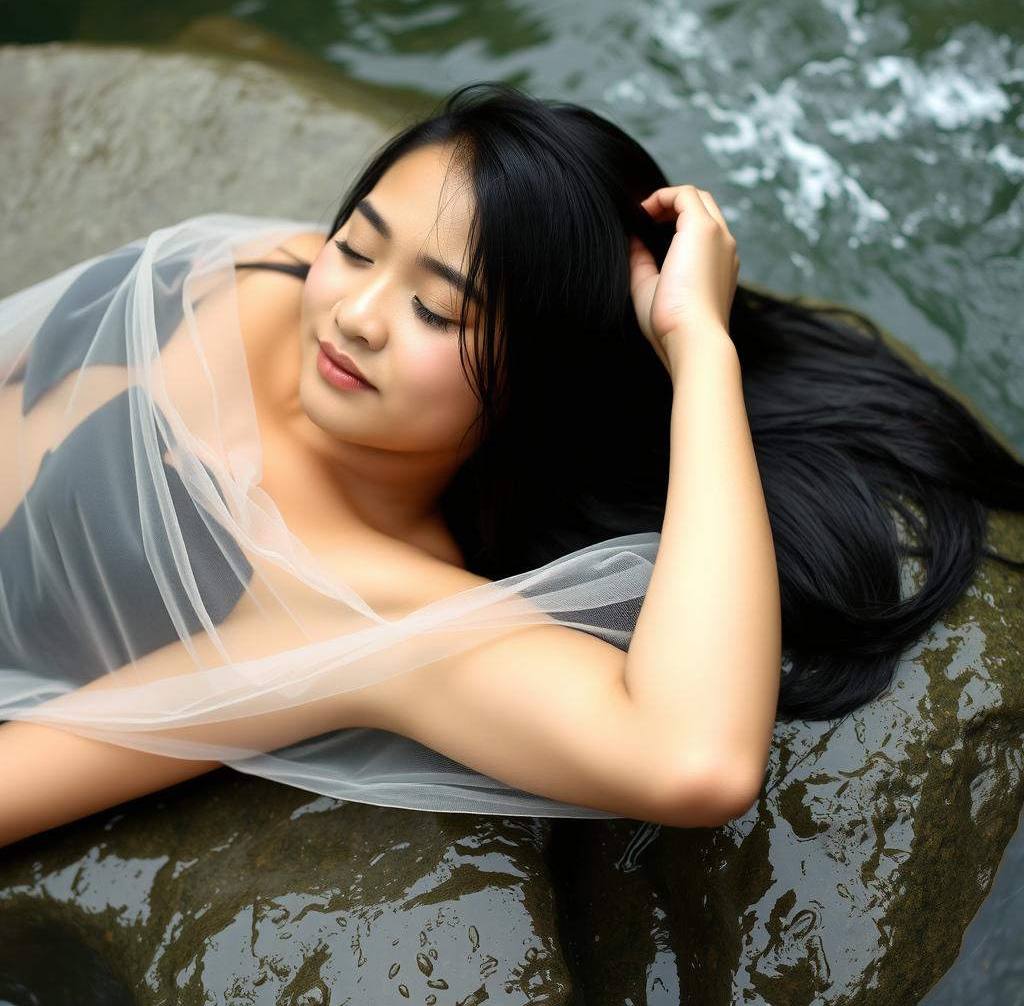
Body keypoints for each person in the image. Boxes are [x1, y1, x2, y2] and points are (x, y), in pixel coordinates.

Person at [0, 82, 1020, 850]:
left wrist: (700, 351)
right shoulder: (272, 271)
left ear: (538, 382)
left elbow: (693, 758)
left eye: (437, 310)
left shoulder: (362, 607)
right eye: (358, 246)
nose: (354, 314)